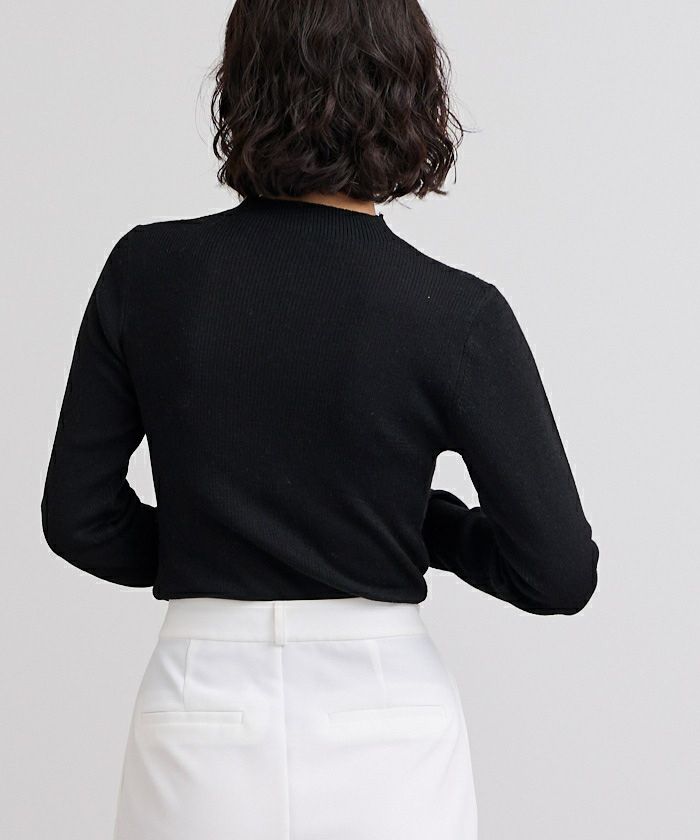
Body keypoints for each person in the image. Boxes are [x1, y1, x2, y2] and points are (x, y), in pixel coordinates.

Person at [40, 1, 598, 838]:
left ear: (242, 87)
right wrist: (431, 527)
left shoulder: (146, 273)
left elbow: (78, 518)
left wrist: (212, 546)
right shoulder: (456, 314)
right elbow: (558, 571)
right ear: (409, 94)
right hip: (387, 715)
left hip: (198, 700)